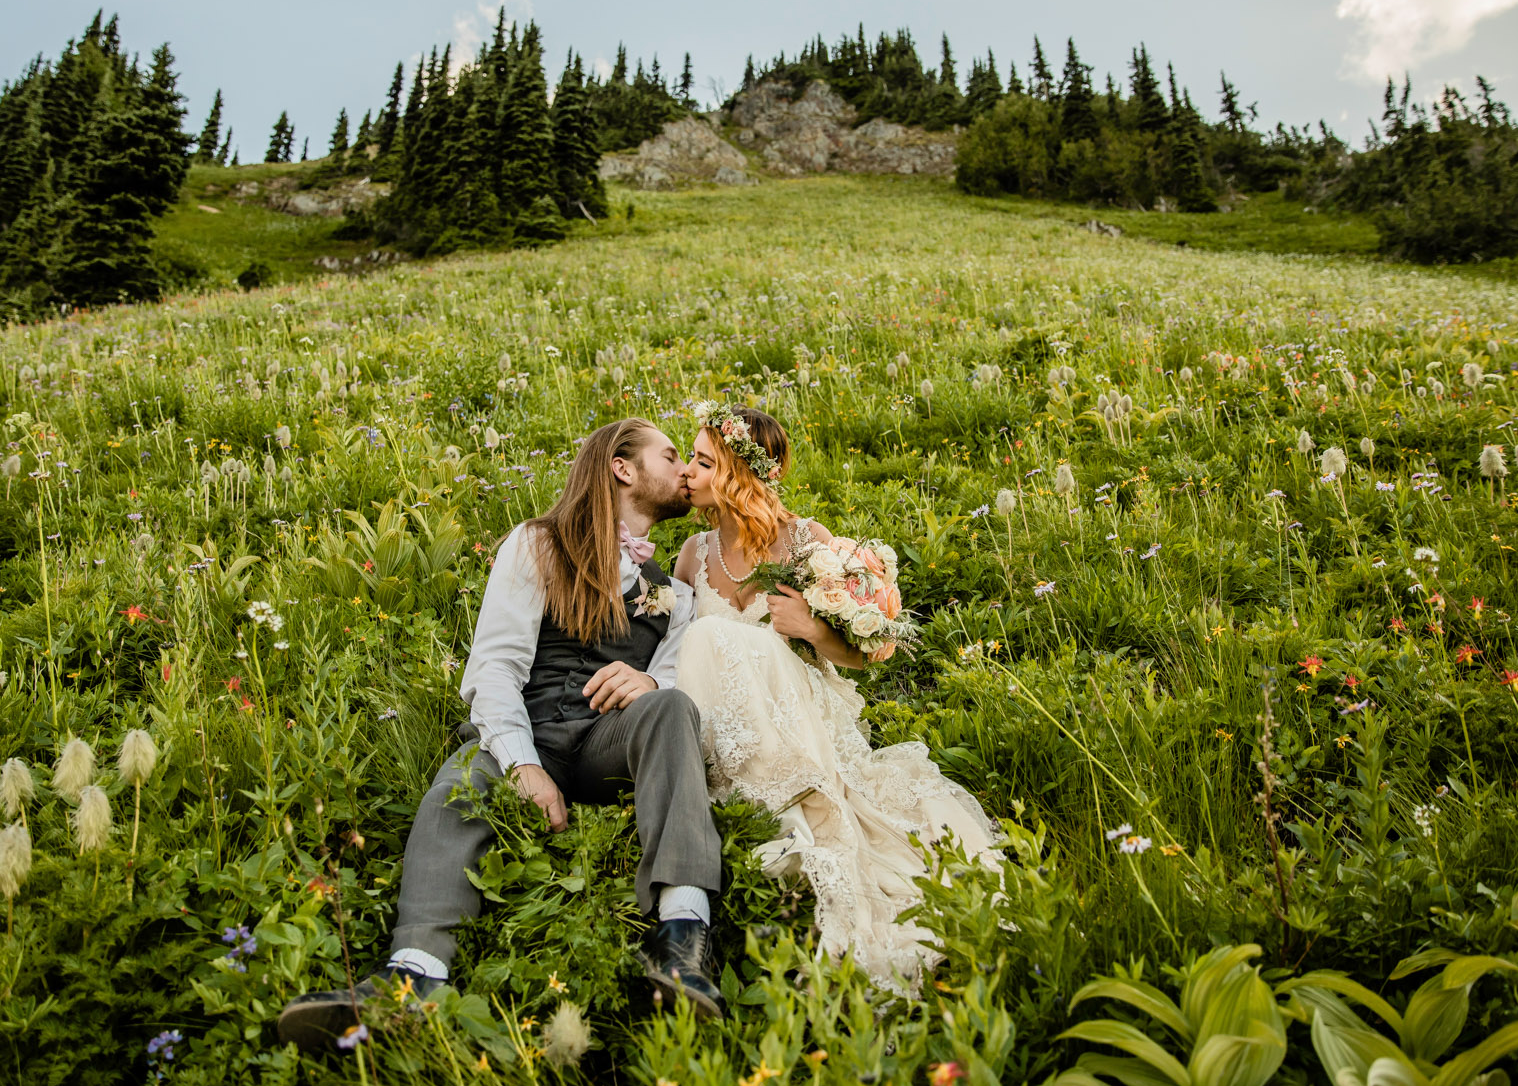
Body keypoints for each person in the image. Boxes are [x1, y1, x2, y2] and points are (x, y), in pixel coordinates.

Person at [277, 418, 725, 1050]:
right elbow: (494, 668)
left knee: (673, 706)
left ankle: (681, 938)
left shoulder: (675, 596)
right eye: (672, 455)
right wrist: (522, 764)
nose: (686, 470)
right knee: (462, 779)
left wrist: (651, 685)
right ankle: (414, 975)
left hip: (607, 744)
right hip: (530, 730)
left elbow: (677, 674)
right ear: (622, 468)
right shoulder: (539, 544)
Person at [671, 402, 1000, 995]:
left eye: (701, 461)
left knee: (713, 635)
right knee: (704, 638)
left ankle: (809, 808)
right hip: (728, 727)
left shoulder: (807, 541)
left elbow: (871, 653)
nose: (686, 473)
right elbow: (679, 657)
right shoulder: (693, 554)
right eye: (689, 460)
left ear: (738, 475)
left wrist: (813, 628)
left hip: (803, 713)